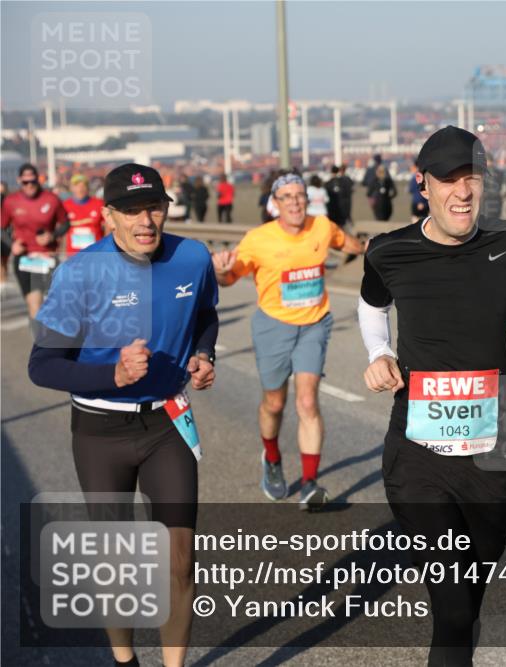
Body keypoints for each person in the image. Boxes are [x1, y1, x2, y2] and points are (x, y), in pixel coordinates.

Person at [359, 125, 506, 666]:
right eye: (449, 180)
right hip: (417, 454)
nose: (462, 191)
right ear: (423, 185)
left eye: (472, 178)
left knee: (468, 603)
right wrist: (377, 353)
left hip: (492, 451)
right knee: (453, 606)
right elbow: (370, 305)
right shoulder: (390, 252)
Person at [27, 162, 219, 667]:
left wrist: (205, 354)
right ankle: (125, 660)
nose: (145, 221)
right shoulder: (80, 272)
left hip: (166, 425)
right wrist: (110, 375)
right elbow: (42, 365)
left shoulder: (193, 257)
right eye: (131, 210)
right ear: (108, 213)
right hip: (99, 431)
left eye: (154, 207)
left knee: (180, 561)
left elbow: (205, 315)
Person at [211, 171, 365, 509]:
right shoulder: (257, 239)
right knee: (275, 403)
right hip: (273, 326)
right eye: (287, 197)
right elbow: (228, 279)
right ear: (274, 204)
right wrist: (222, 270)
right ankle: (272, 457)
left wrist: (372, 247)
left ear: (306, 200)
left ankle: (310, 483)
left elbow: (350, 244)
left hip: (314, 323)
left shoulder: (322, 227)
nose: (294, 202)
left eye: (300, 196)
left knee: (307, 401)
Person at [1, 163, 69, 319]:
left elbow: (65, 223)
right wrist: (12, 245)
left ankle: (54, 338)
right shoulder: (11, 201)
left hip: (48, 257)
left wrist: (53, 235)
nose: (30, 185)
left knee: (55, 305)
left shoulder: (51, 199)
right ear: (19, 181)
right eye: (25, 182)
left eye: (33, 181)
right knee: (34, 305)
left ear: (38, 179)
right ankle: (42, 342)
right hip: (25, 258)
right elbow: (1, 228)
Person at [63, 173, 106, 258]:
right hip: (73, 255)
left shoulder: (99, 204)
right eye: (77, 186)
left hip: (95, 253)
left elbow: (108, 226)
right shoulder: (64, 205)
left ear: (88, 188)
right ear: (71, 188)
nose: (80, 189)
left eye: (83, 185)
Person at [481, 152, 506, 220]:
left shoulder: (481, 173)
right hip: (497, 199)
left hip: (486, 200)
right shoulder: (501, 172)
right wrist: (503, 195)